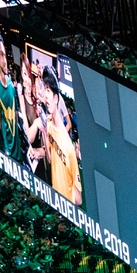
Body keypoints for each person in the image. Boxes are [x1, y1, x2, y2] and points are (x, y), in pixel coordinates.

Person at [41, 64, 82, 205]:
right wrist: (45, 134)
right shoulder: (49, 125)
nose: (45, 96)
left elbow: (79, 200)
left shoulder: (69, 148)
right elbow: (50, 159)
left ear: (56, 98)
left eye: (48, 90)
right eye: (44, 89)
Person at [0, 28, 23, 162]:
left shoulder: (10, 83)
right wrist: (6, 138)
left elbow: (16, 112)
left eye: (5, 55)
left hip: (18, 145)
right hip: (8, 148)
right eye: (2, 55)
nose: (5, 60)